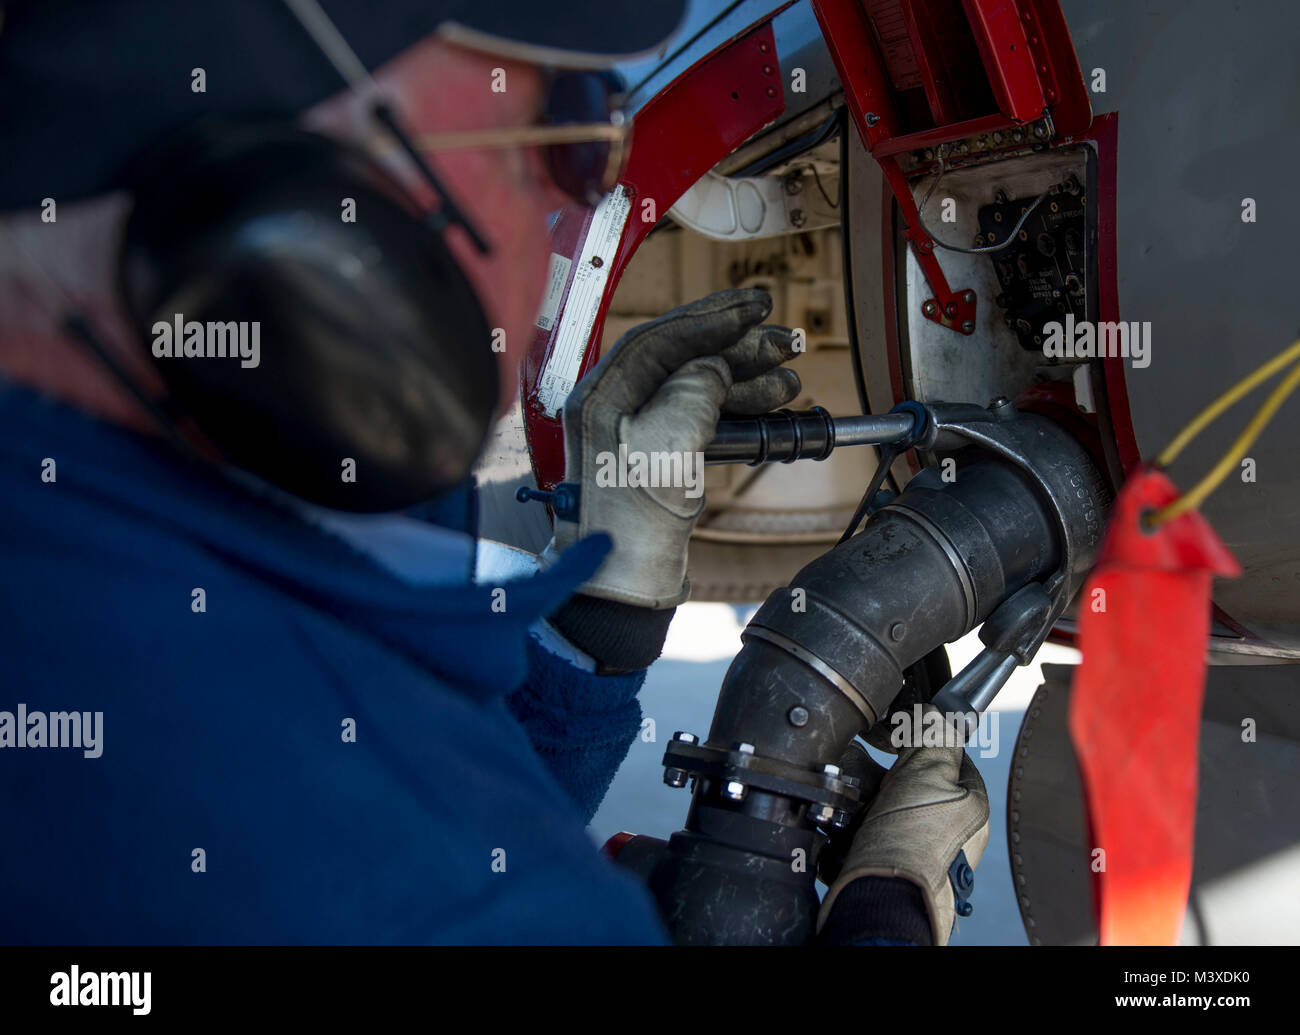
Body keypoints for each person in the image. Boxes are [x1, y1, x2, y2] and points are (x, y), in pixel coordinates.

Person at [0, 0, 987, 945]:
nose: (588, 196)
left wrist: (602, 613)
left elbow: (424, 821)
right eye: (559, 136)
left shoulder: (89, 564)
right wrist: (886, 907)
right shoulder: (412, 893)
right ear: (282, 215)